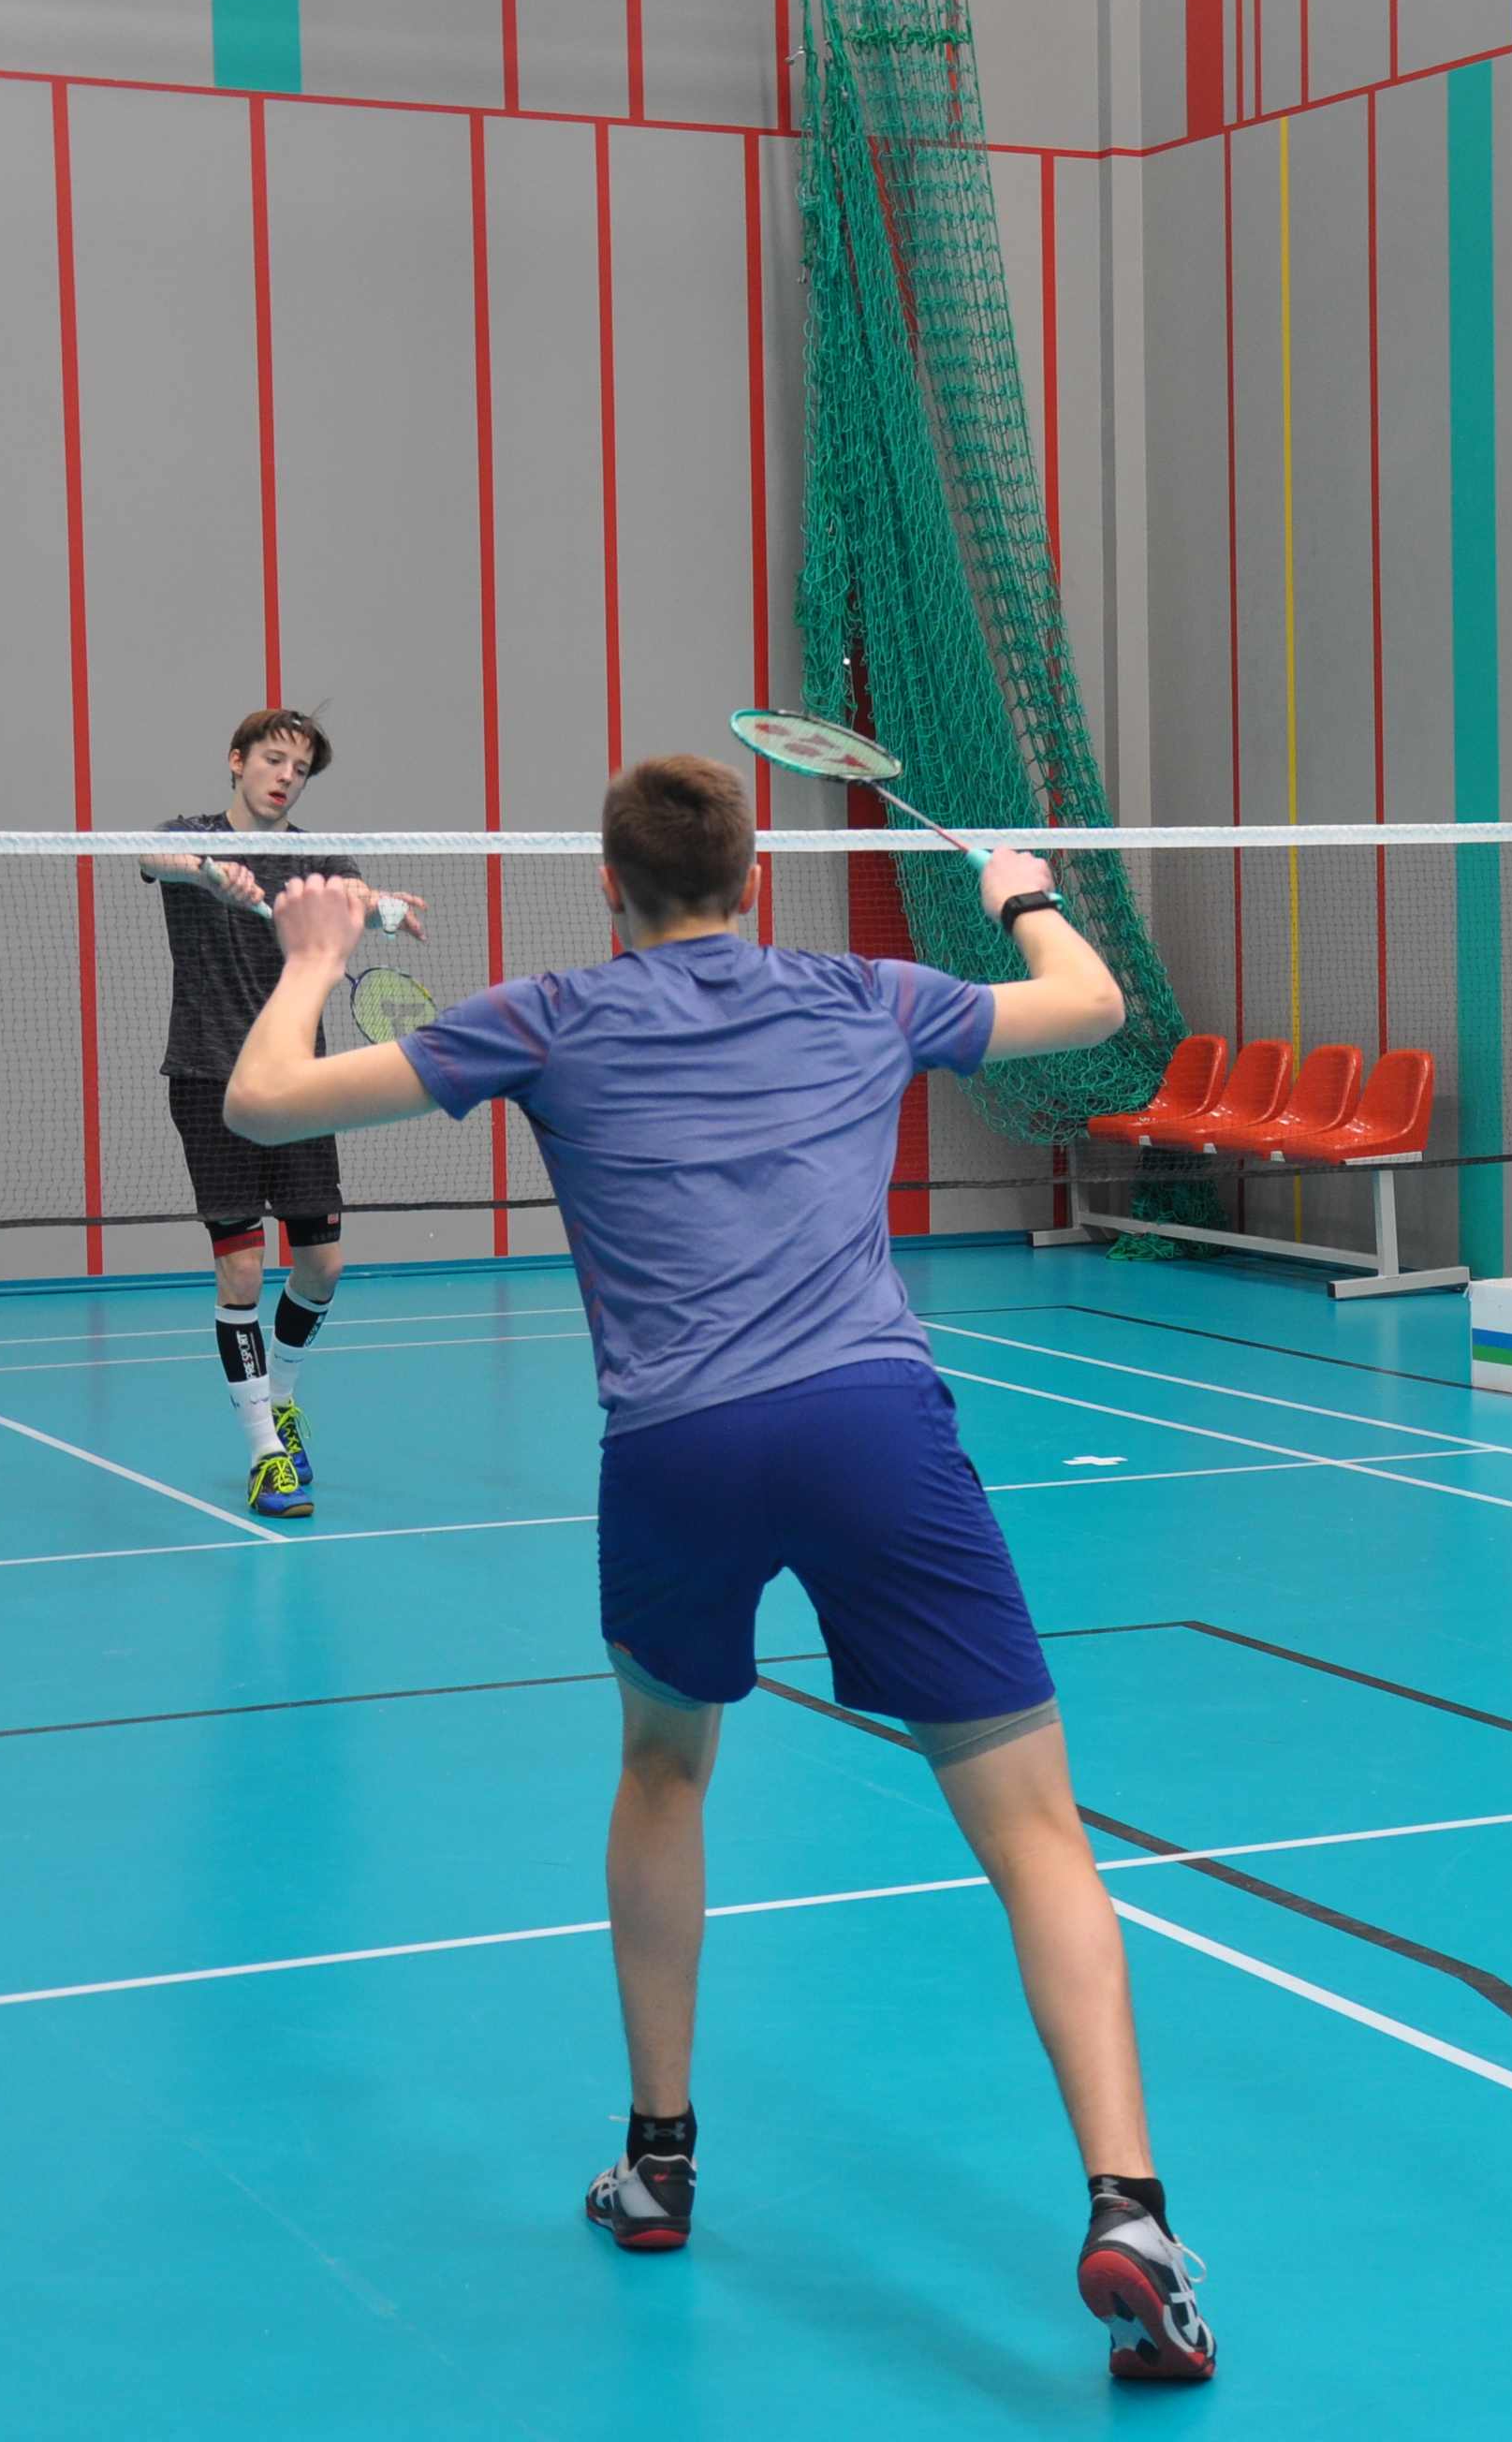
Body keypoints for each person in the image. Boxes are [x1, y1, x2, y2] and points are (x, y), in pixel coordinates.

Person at [219, 754, 1215, 2384]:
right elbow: (1093, 1005)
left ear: (610, 890)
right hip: (870, 1430)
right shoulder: (865, 992)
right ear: (752, 881)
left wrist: (314, 956)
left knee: (665, 1771)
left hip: (675, 1450)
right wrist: (1022, 893)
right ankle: (1133, 2213)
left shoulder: (547, 1015)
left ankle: (660, 2162)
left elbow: (263, 1103)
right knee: (1037, 1832)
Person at [135, 707, 431, 1520]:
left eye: (299, 769)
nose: (285, 777)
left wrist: (379, 908)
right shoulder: (190, 836)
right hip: (210, 1076)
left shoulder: (313, 856)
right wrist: (206, 872)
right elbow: (150, 856)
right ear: (237, 760)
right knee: (241, 1269)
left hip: (300, 1080)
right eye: (273, 759)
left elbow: (352, 895)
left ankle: (284, 1397)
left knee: (322, 1266)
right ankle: (266, 1452)